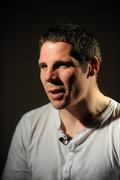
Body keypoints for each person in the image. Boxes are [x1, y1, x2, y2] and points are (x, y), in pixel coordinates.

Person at [2, 23, 120, 180]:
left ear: (93, 66)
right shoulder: (30, 124)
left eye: (62, 65)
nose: (48, 77)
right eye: (43, 66)